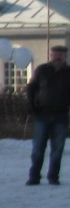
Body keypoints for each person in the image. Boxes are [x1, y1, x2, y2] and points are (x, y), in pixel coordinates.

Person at [26, 44, 70, 185]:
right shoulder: (42, 70)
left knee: (57, 149)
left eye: (60, 55)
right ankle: (34, 177)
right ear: (51, 56)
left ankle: (53, 177)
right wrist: (32, 106)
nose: (57, 57)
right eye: (54, 54)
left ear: (65, 57)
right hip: (42, 115)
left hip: (61, 116)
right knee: (38, 148)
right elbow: (31, 88)